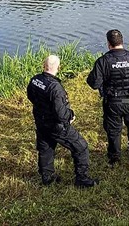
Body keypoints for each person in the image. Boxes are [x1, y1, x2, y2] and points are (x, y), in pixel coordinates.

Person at [27, 55, 98, 188]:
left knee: (46, 147)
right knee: (81, 147)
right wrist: (71, 115)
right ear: (59, 67)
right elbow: (61, 113)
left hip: (41, 122)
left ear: (44, 65)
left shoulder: (35, 80)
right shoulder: (55, 87)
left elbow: (31, 97)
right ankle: (81, 178)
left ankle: (46, 177)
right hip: (56, 126)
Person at [87, 29, 129, 164]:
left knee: (113, 129)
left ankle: (114, 156)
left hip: (112, 102)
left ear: (109, 44)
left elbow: (94, 83)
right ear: (122, 41)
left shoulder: (102, 61)